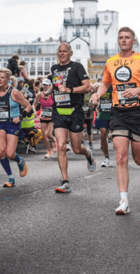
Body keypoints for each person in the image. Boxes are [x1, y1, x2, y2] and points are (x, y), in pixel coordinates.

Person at [90, 27, 140, 215]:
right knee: (121, 157)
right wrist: (97, 95)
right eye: (120, 37)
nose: (123, 40)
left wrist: (139, 90)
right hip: (119, 113)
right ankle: (124, 200)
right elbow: (105, 82)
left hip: (139, 112)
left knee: (137, 158)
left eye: (127, 37)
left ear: (133, 40)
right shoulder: (111, 62)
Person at [51, 42, 96, 193]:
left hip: (75, 111)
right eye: (60, 51)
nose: (62, 53)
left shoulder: (77, 67)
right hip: (59, 111)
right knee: (61, 145)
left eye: (65, 51)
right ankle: (65, 181)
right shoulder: (54, 69)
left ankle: (88, 154)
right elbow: (57, 86)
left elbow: (88, 87)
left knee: (77, 148)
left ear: (70, 53)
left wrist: (70, 90)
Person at [0, 68, 32, 187]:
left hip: (12, 123)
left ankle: (20, 161)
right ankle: (10, 177)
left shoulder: (14, 93)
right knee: (1, 152)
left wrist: (21, 117)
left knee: (10, 153)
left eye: (2, 77)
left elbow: (28, 107)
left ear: (8, 79)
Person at [34, 79, 57, 158]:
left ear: (50, 86)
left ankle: (54, 141)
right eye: (43, 85)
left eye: (46, 85)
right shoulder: (39, 95)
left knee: (49, 134)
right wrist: (34, 112)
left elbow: (57, 104)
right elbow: (34, 105)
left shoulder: (53, 95)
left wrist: (53, 109)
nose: (45, 86)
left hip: (51, 117)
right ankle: (49, 151)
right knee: (44, 136)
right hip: (43, 116)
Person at [94, 83, 113, 167]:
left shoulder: (115, 86)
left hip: (114, 114)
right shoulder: (100, 86)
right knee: (103, 133)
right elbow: (95, 97)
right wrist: (94, 101)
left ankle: (122, 157)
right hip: (103, 114)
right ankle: (107, 158)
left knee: (114, 137)